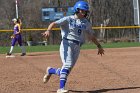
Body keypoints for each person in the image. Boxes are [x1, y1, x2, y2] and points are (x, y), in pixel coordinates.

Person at [42, 1, 104, 93]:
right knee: (68, 65)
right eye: (82, 11)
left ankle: (50, 70)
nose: (84, 13)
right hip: (67, 44)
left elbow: (91, 36)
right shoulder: (68, 19)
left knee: (67, 70)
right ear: (77, 10)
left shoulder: (86, 23)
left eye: (85, 11)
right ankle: (61, 89)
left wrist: (99, 46)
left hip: (77, 47)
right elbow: (54, 23)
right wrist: (48, 31)